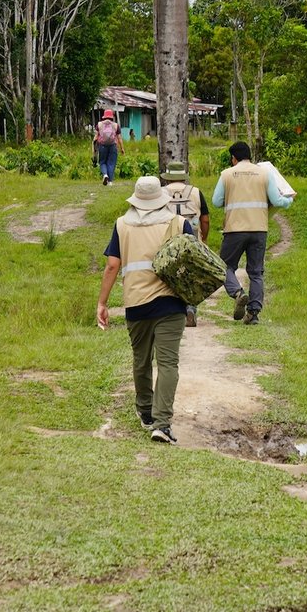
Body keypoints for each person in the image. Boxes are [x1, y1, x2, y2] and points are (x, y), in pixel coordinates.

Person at [96, 176, 194, 444]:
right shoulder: (179, 223)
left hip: (136, 303)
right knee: (168, 363)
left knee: (141, 360)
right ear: (161, 198)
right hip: (171, 302)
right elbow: (195, 260)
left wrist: (102, 303)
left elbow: (112, 265)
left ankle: (146, 411)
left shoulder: (122, 225)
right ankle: (162, 424)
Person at [212, 140, 294, 325]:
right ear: (250, 156)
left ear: (233, 158)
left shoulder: (226, 174)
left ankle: (238, 292)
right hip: (259, 230)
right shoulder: (264, 174)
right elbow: (277, 200)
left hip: (234, 229)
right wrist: (289, 201)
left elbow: (216, 202)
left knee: (224, 266)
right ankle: (253, 313)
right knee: (256, 272)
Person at [160, 160, 211, 328]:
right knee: (190, 275)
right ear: (184, 177)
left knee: (169, 274)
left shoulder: (161, 193)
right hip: (191, 239)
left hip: (167, 240)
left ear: (167, 178)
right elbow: (205, 219)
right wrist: (203, 238)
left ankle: (170, 311)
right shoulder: (196, 192)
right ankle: (190, 308)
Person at [94, 109, 123, 185]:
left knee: (102, 162)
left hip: (102, 146)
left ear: (104, 116)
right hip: (113, 146)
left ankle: (105, 174)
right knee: (111, 163)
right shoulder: (116, 125)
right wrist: (122, 148)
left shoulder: (99, 125)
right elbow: (119, 138)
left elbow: (96, 137)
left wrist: (94, 148)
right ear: (111, 117)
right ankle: (110, 181)